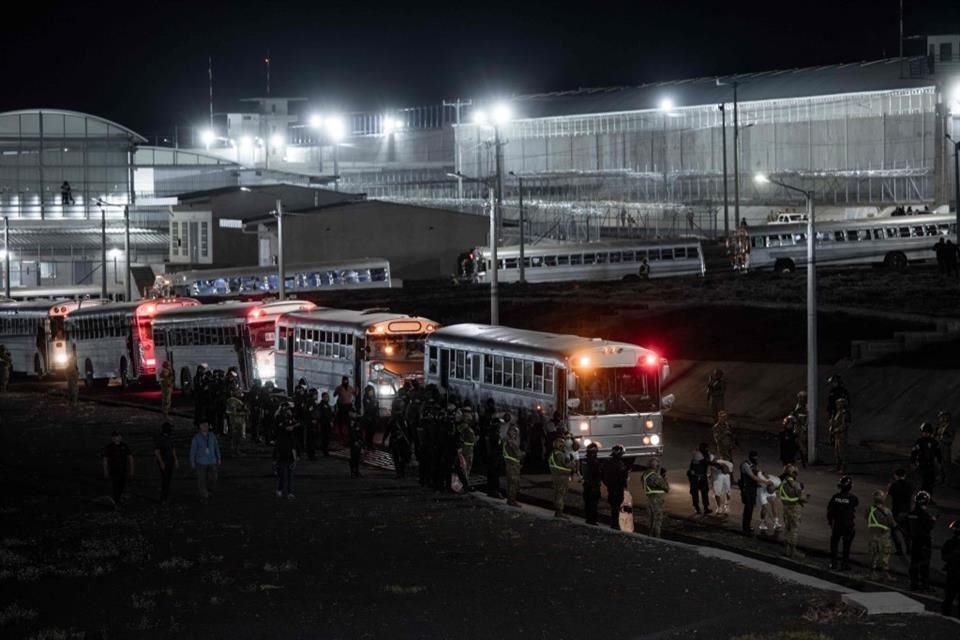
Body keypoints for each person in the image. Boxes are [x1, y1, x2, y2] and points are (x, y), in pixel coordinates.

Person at [827, 475, 859, 571]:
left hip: (837, 524)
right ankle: (844, 564)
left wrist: (830, 523)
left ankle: (833, 563)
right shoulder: (853, 498)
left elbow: (830, 512)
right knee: (846, 545)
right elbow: (855, 505)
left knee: (834, 544)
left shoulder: (835, 497)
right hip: (848, 525)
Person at [907, 490, 937, 592]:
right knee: (924, 564)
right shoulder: (926, 515)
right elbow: (929, 527)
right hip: (924, 542)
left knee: (914, 563)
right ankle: (925, 586)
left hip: (915, 541)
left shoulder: (912, 513)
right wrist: (933, 521)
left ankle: (914, 584)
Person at [866, 490, 896, 581]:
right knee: (885, 555)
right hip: (884, 535)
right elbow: (892, 523)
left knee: (873, 554)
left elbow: (867, 517)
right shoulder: (887, 511)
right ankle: (885, 575)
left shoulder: (869, 509)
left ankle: (872, 574)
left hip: (873, 534)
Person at [189, 422, 221, 503]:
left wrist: (219, 457)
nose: (206, 427)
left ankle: (208, 490)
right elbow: (193, 451)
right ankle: (204, 495)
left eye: (207, 425)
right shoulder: (196, 438)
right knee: (201, 480)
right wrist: (192, 463)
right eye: (204, 425)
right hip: (200, 462)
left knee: (214, 477)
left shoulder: (212, 435)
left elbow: (216, 447)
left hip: (212, 461)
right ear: (200, 426)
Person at [778, 464, 806, 558]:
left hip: (785, 508)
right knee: (794, 530)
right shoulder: (796, 485)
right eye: (796, 472)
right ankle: (793, 551)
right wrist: (806, 496)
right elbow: (802, 499)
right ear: (793, 473)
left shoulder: (782, 484)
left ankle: (786, 550)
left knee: (787, 529)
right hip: (794, 509)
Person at [911, 422, 943, 501]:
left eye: (928, 432)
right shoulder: (919, 441)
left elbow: (938, 453)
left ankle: (928, 498)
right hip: (922, 464)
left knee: (930, 482)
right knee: (923, 482)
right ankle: (920, 497)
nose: (926, 434)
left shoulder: (934, 442)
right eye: (924, 432)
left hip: (931, 465)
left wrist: (939, 462)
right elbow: (914, 452)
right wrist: (913, 462)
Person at [102, 430, 134, 508]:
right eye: (115, 437)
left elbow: (130, 458)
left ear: (121, 437)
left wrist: (132, 470)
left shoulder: (125, 446)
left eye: (118, 436)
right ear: (112, 438)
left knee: (122, 485)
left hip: (123, 470)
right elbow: (105, 459)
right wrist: (105, 470)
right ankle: (116, 501)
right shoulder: (109, 447)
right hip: (113, 470)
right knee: (115, 486)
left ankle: (118, 499)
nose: (117, 438)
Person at [887, 467, 914, 556]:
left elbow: (888, 497)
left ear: (895, 475)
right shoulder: (910, 485)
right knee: (907, 531)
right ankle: (909, 549)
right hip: (907, 510)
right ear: (904, 475)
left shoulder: (894, 485)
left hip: (897, 510)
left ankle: (899, 550)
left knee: (894, 531)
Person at [602, 445, 630, 530]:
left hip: (612, 488)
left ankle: (614, 523)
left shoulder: (608, 463)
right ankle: (615, 524)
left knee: (614, 506)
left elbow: (604, 476)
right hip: (616, 488)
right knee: (615, 507)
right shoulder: (619, 463)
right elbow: (621, 475)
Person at [640, 457, 669, 538]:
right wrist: (664, 476)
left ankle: (650, 535)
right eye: (658, 464)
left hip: (649, 498)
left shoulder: (645, 474)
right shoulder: (654, 476)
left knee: (651, 519)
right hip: (656, 500)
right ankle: (657, 537)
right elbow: (666, 487)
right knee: (657, 519)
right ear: (655, 466)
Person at [547, 437, 574, 518]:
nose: (562, 444)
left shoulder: (554, 453)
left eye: (563, 443)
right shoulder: (559, 454)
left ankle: (558, 511)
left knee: (558, 494)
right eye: (560, 443)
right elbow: (567, 465)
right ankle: (559, 512)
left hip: (556, 476)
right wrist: (572, 463)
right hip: (561, 477)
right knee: (561, 495)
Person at [273, 416, 298, 499]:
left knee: (288, 476)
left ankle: (288, 492)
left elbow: (294, 447)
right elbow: (293, 447)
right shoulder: (284, 436)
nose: (291, 428)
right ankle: (283, 490)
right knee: (284, 476)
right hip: (284, 457)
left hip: (286, 457)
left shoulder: (287, 436)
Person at [153, 422, 178, 503]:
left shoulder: (170, 437)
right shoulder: (160, 438)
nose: (171, 430)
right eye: (170, 428)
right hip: (164, 461)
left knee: (168, 479)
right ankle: (163, 498)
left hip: (170, 461)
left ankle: (165, 497)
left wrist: (176, 459)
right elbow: (157, 451)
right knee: (165, 479)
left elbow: (173, 449)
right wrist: (161, 462)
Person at [687, 443, 714, 515]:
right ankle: (697, 508)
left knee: (705, 491)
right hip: (694, 476)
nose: (707, 450)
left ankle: (706, 508)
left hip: (702, 475)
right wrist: (717, 465)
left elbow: (709, 461)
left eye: (707, 448)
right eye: (706, 448)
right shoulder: (697, 454)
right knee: (695, 492)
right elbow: (705, 462)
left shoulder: (705, 454)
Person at [739, 451, 762, 534]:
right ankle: (745, 527)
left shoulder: (752, 465)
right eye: (755, 457)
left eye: (757, 457)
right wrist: (765, 482)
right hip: (747, 489)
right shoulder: (745, 465)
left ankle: (747, 526)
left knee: (751, 508)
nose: (756, 459)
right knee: (748, 508)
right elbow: (752, 477)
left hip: (752, 489)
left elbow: (759, 472)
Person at [502, 425, 524, 506]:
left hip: (510, 464)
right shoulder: (511, 442)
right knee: (513, 483)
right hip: (513, 465)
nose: (515, 434)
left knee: (510, 483)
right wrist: (523, 454)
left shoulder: (507, 441)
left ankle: (510, 499)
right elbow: (518, 454)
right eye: (514, 432)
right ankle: (512, 500)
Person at [581, 443, 602, 525]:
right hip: (593, 486)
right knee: (593, 504)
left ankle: (588, 519)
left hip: (587, 485)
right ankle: (592, 520)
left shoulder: (584, 460)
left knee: (588, 503)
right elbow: (597, 474)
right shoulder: (594, 462)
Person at [943, 520, 960, 618]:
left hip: (953, 571)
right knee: (949, 596)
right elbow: (945, 556)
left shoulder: (951, 543)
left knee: (949, 596)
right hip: (953, 571)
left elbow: (945, 556)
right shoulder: (951, 543)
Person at [935, 411, 957, 488]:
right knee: (939, 464)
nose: (940, 418)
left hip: (945, 447)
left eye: (942, 417)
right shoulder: (941, 426)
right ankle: (941, 479)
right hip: (940, 446)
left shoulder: (950, 427)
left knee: (946, 465)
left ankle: (947, 482)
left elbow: (951, 439)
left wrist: (943, 439)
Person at [828, 397, 850, 472]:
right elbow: (835, 422)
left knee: (842, 451)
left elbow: (845, 425)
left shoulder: (844, 413)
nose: (837, 405)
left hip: (841, 435)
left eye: (838, 404)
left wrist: (837, 430)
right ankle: (838, 466)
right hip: (837, 435)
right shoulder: (837, 412)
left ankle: (844, 467)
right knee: (837, 451)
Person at [225, 388, 248, 457]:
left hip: (237, 421)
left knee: (237, 437)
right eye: (238, 392)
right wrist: (242, 413)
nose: (240, 393)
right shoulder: (233, 401)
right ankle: (234, 452)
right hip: (235, 421)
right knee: (235, 437)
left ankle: (236, 451)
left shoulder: (233, 400)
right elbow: (232, 412)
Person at [334, 376, 356, 441]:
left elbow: (355, 394)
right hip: (341, 406)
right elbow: (334, 394)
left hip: (348, 406)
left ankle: (348, 435)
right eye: (344, 380)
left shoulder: (350, 388)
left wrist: (357, 391)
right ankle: (341, 435)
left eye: (346, 380)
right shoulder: (339, 387)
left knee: (349, 421)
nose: (345, 381)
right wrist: (337, 392)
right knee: (341, 421)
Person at [792, 390, 809, 468]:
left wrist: (805, 426)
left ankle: (805, 458)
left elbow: (807, 417)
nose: (800, 399)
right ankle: (800, 456)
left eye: (801, 398)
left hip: (802, 426)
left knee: (802, 442)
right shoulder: (798, 405)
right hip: (797, 425)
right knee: (796, 441)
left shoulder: (807, 407)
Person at [314, 391, 334, 457]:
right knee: (325, 438)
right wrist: (330, 421)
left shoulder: (327, 404)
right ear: (323, 397)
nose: (327, 398)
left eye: (328, 397)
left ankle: (325, 450)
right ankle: (325, 451)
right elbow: (326, 415)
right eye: (326, 397)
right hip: (324, 423)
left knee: (327, 437)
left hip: (326, 423)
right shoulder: (322, 405)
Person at [348, 411, 364, 478]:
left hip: (358, 441)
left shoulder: (357, 421)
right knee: (353, 457)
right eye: (354, 413)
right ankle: (353, 472)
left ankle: (357, 471)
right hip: (354, 442)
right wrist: (355, 441)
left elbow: (360, 431)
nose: (355, 414)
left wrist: (361, 440)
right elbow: (352, 432)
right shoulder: (352, 422)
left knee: (357, 457)